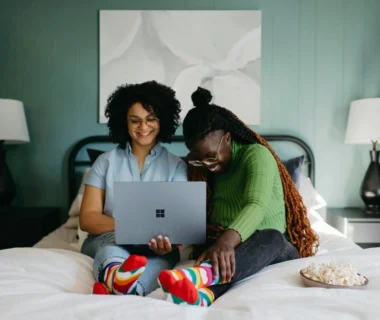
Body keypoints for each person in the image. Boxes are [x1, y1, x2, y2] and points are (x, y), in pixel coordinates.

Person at [157, 87, 319, 306]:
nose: (208, 166)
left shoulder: (256, 155)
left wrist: (225, 242)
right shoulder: (204, 168)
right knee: (221, 249)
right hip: (235, 247)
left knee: (270, 236)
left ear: (227, 137)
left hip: (274, 247)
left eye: (211, 157)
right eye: (199, 159)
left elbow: (256, 205)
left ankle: (199, 277)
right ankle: (204, 296)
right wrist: (204, 229)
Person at [80, 81, 187, 296]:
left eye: (151, 119)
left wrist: (166, 242)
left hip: (155, 247)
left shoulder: (176, 166)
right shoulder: (105, 162)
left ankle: (119, 287)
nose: (143, 127)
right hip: (110, 237)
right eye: (135, 121)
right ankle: (120, 282)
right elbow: (87, 219)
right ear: (124, 122)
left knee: (160, 259)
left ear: (162, 120)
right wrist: (129, 229)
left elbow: (178, 223)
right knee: (111, 248)